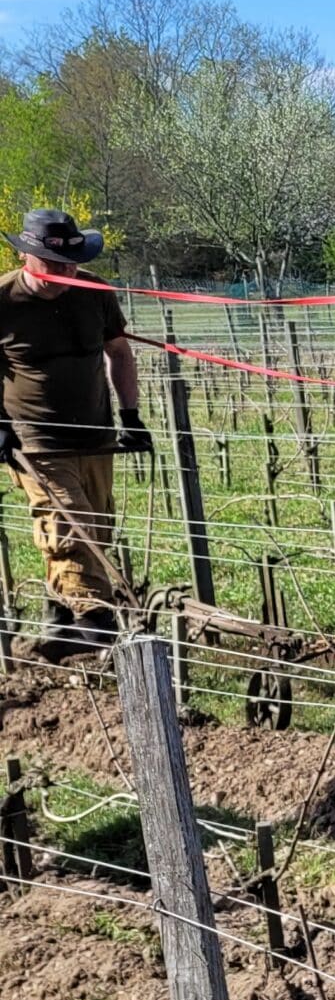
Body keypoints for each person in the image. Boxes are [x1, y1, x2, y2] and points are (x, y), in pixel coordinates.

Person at [0, 208, 151, 661]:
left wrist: (131, 416)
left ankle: (59, 619)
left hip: (95, 433)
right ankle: (96, 632)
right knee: (70, 524)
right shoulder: (3, 301)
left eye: (72, 262)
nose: (67, 273)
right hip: (35, 441)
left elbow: (119, 354)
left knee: (97, 526)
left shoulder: (95, 292)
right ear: (29, 257)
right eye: (54, 264)